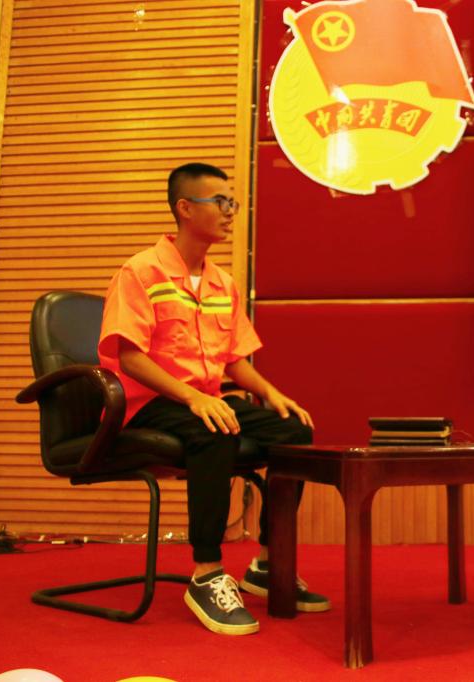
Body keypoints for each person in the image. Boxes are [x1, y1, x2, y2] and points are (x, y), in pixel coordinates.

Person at [98, 162, 329, 636]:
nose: (229, 212)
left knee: (295, 431)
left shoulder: (223, 282)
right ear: (185, 208)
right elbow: (130, 357)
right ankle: (206, 572)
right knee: (215, 427)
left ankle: (269, 562)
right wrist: (193, 399)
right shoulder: (140, 272)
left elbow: (234, 360)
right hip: (147, 402)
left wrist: (271, 393)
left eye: (232, 203)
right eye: (219, 202)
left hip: (203, 397)